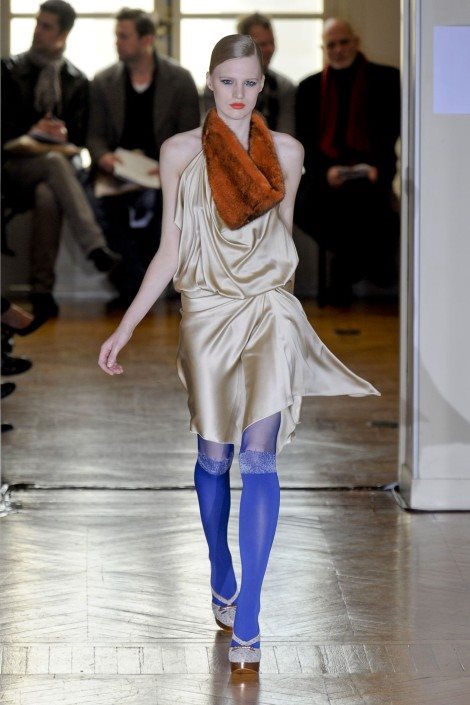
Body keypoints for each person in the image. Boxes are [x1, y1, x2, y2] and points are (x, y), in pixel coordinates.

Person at [98, 34, 379, 675]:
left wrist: (281, 308)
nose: (238, 93)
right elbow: (170, 249)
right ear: (209, 81)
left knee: (259, 457)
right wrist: (126, 327)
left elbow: (283, 241)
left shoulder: (287, 152)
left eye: (250, 83)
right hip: (205, 312)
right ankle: (220, 565)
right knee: (213, 455)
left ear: (262, 85)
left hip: (268, 310)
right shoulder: (180, 152)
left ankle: (249, 610)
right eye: (228, 81)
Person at [1, 0, 120, 321]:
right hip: (14, 166)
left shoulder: (76, 80)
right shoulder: (8, 70)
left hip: (54, 173)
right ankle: (94, 245)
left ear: (63, 34)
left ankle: (42, 293)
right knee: (54, 162)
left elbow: (79, 143)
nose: (37, 31)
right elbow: (4, 136)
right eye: (37, 23)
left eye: (46, 26)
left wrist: (60, 137)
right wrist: (33, 134)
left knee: (48, 195)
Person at [87, 7, 200, 310]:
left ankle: (147, 286)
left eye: (124, 36)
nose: (117, 42)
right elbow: (94, 136)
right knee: (97, 205)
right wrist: (104, 158)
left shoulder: (179, 80)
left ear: (147, 40)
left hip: (165, 171)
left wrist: (166, 169)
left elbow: (191, 138)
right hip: (118, 170)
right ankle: (134, 284)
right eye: (117, 36)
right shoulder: (103, 81)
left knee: (169, 207)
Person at [295, 18, 400, 306]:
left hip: (372, 172)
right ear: (323, 49)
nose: (338, 50)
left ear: (356, 42)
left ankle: (343, 274)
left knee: (368, 205)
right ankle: (360, 266)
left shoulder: (387, 80)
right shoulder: (309, 87)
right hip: (326, 175)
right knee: (303, 204)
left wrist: (377, 168)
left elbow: (392, 131)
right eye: (331, 45)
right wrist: (326, 171)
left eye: (343, 42)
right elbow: (305, 140)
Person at [204, 13, 296, 135]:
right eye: (262, 44)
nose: (269, 50)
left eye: (272, 43)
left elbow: (286, 134)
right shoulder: (217, 83)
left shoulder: (283, 87)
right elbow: (213, 131)